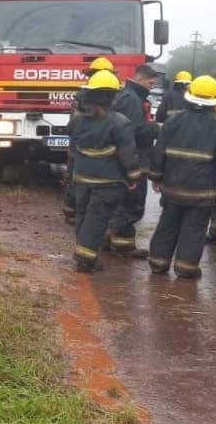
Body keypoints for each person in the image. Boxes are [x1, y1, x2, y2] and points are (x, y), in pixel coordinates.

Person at [147, 75, 216, 278]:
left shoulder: (173, 120)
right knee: (194, 229)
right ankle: (186, 268)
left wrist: (156, 176)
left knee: (167, 224)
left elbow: (159, 151)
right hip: (202, 192)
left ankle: (158, 263)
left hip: (172, 187)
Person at [70, 70, 140, 272]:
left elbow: (73, 147)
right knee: (97, 218)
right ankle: (85, 259)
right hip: (108, 182)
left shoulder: (78, 120)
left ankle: (86, 254)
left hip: (81, 178)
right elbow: (128, 154)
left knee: (83, 216)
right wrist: (134, 176)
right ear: (111, 96)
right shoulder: (120, 122)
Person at [107, 63, 158, 257]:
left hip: (133, 156)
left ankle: (122, 246)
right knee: (132, 205)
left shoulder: (131, 96)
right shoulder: (131, 99)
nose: (152, 87)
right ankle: (106, 234)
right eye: (150, 83)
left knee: (128, 203)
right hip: (135, 157)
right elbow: (132, 130)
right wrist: (156, 128)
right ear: (139, 79)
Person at [62, 56, 114, 221]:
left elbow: (73, 125)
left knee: (75, 175)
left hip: (78, 142)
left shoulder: (83, 94)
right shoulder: (91, 97)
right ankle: (75, 210)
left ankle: (72, 211)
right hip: (87, 143)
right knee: (79, 178)